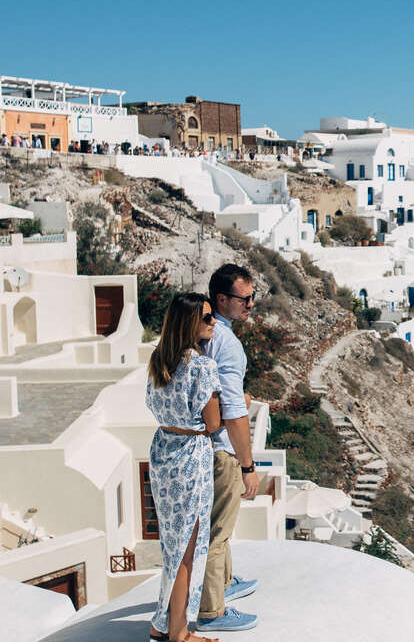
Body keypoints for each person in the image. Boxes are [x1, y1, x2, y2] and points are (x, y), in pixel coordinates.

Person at [145, 293, 223, 642]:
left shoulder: (158, 359)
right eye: (206, 318)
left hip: (163, 452)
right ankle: (180, 633)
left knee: (171, 546)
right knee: (186, 549)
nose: (213, 322)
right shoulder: (202, 367)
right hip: (191, 456)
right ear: (190, 323)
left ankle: (162, 622)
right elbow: (212, 423)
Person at [196, 264, 261, 633]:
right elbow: (235, 415)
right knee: (217, 532)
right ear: (222, 299)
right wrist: (247, 466)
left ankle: (224, 581)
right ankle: (212, 611)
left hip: (200, 445)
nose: (251, 304)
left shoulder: (201, 329)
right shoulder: (228, 344)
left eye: (252, 297)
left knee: (217, 521)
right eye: (244, 299)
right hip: (222, 451)